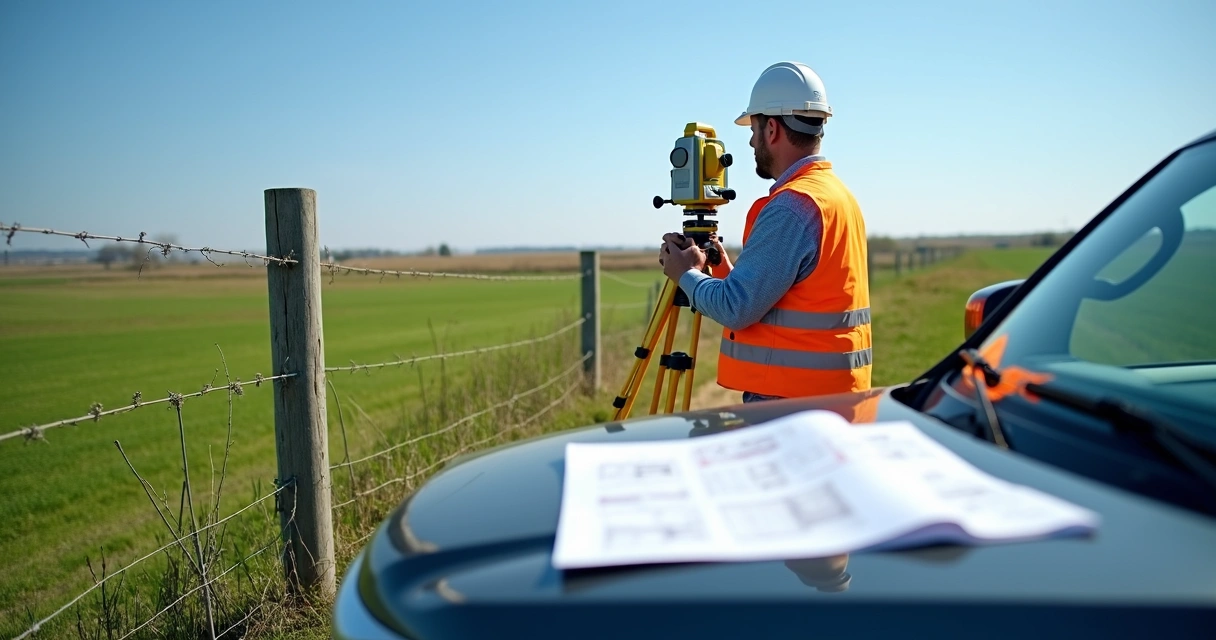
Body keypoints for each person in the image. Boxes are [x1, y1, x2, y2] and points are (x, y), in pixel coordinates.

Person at [659, 61, 872, 403]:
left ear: (771, 129)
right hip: (831, 395)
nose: (751, 143)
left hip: (790, 404)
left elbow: (736, 308)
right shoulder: (835, 195)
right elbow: (791, 293)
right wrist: (726, 271)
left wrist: (684, 273)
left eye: (753, 130)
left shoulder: (792, 206)